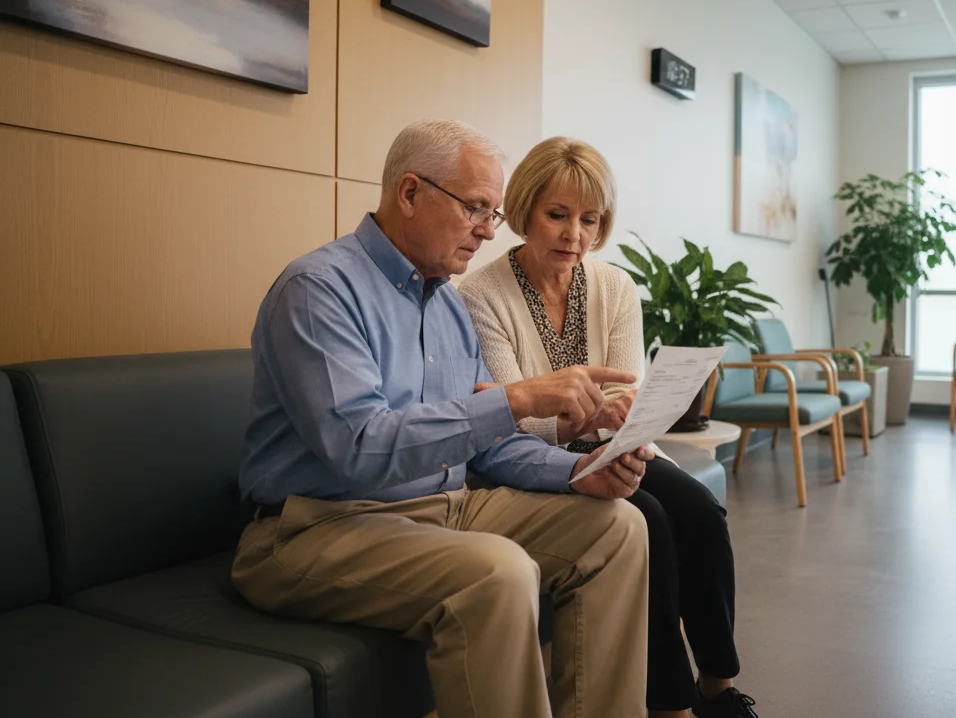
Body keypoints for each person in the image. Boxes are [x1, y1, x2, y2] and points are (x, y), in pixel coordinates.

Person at [232, 119, 656, 718]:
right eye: (477, 209)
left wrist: (577, 471)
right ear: (409, 194)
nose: (488, 231)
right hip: (314, 527)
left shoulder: (449, 306)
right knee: (499, 572)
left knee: (617, 528)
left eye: (494, 214)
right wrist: (516, 399)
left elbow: (483, 448)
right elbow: (359, 446)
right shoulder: (319, 289)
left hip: (440, 509)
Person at [460, 137, 758, 718]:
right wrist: (582, 416)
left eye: (589, 220)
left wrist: (618, 416)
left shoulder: (615, 286)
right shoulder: (480, 295)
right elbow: (512, 412)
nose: (575, 234)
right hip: (532, 467)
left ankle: (718, 689)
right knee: (648, 523)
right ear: (523, 209)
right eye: (558, 215)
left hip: (614, 447)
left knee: (699, 511)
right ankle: (670, 706)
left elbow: (625, 387)